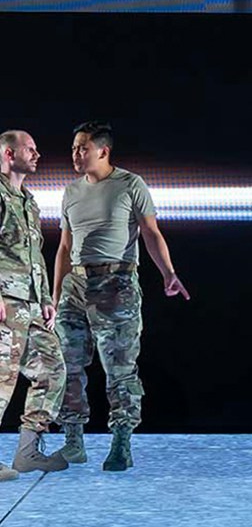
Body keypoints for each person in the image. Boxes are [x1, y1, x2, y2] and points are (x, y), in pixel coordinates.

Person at [53, 122, 188, 472]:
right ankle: (73, 441)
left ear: (103, 150)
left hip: (116, 284)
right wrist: (55, 295)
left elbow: (151, 233)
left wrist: (168, 273)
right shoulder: (70, 191)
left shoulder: (130, 184)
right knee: (68, 365)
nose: (76, 154)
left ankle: (121, 442)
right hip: (75, 287)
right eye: (73, 148)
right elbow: (65, 247)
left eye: (82, 147)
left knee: (119, 369)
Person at [0, 131, 66, 476]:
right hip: (5, 301)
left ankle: (28, 451)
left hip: (30, 303)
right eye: (30, 149)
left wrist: (45, 299)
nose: (37, 154)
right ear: (10, 154)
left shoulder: (28, 199)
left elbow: (34, 254)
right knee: (1, 378)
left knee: (52, 369)